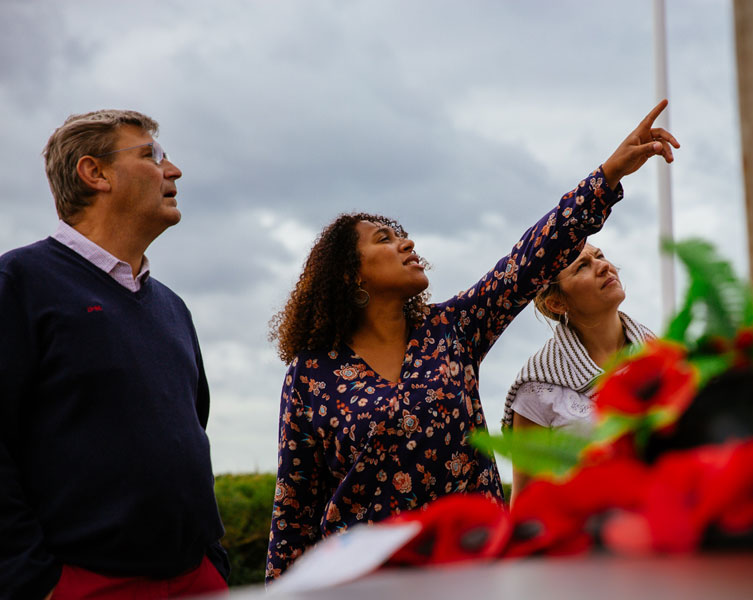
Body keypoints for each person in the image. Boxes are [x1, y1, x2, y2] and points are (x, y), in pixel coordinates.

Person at [266, 100, 678, 580]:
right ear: (349, 275)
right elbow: (293, 510)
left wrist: (607, 176)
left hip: (474, 572)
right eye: (384, 239)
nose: (407, 243)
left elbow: (527, 262)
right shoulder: (312, 375)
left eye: (403, 235)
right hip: (371, 584)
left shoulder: (452, 331)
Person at [0, 110, 229, 599]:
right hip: (82, 584)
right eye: (152, 155)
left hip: (196, 579)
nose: (174, 171)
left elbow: (194, 430)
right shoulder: (16, 284)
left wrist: (213, 560)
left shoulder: (172, 306)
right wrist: (34, 581)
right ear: (95, 173)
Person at [500, 244, 655, 502]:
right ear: (557, 303)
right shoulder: (537, 386)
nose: (604, 266)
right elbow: (526, 503)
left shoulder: (661, 359)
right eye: (582, 266)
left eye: (600, 256)